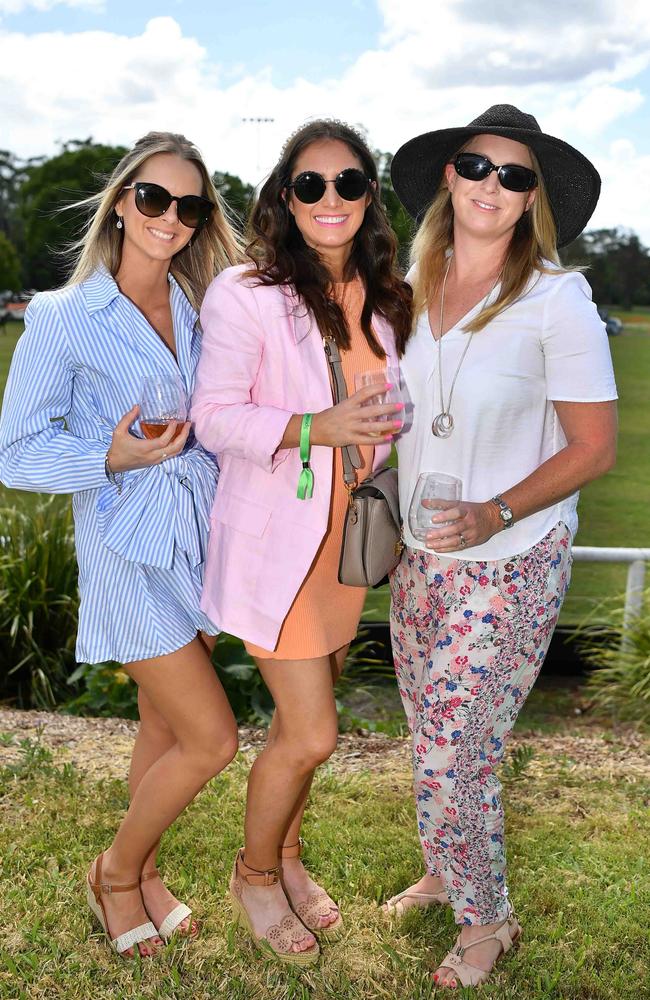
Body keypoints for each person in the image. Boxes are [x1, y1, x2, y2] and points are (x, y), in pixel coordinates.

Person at [384, 105, 618, 988]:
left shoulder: (558, 298)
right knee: (428, 727)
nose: (492, 185)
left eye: (514, 176)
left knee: (460, 744)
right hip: (417, 551)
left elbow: (595, 449)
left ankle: (488, 920)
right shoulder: (407, 283)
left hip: (512, 556)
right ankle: (445, 869)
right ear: (449, 176)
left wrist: (496, 513)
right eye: (477, 166)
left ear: (532, 200)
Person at [0, 132, 242, 958]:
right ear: (121, 201)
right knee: (213, 739)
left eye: (190, 206)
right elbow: (14, 453)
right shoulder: (62, 316)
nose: (170, 218)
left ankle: (146, 877)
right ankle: (114, 871)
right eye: (153, 198)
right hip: (123, 550)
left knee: (164, 730)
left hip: (196, 539)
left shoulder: (204, 309)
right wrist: (111, 453)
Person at [192, 119, 412, 964]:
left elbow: (386, 412)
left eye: (349, 184)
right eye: (311, 184)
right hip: (277, 548)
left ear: (369, 199)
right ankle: (253, 875)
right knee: (312, 733)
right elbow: (214, 418)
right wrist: (317, 425)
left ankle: (287, 854)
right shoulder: (246, 292)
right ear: (285, 196)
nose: (331, 199)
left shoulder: (381, 296)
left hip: (346, 547)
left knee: (302, 725)